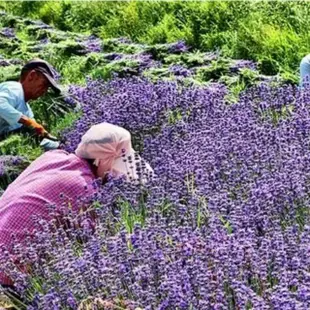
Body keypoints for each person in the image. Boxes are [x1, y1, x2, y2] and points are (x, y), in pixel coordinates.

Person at [0, 122, 153, 286]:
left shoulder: (53, 156)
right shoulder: (83, 187)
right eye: (115, 163)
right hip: (11, 273)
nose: (112, 175)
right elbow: (97, 243)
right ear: (101, 160)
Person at [0, 58, 61, 140]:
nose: (44, 90)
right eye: (44, 84)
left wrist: (58, 145)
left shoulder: (27, 111)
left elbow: (35, 133)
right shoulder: (14, 88)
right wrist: (26, 121)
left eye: (47, 87)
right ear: (32, 76)